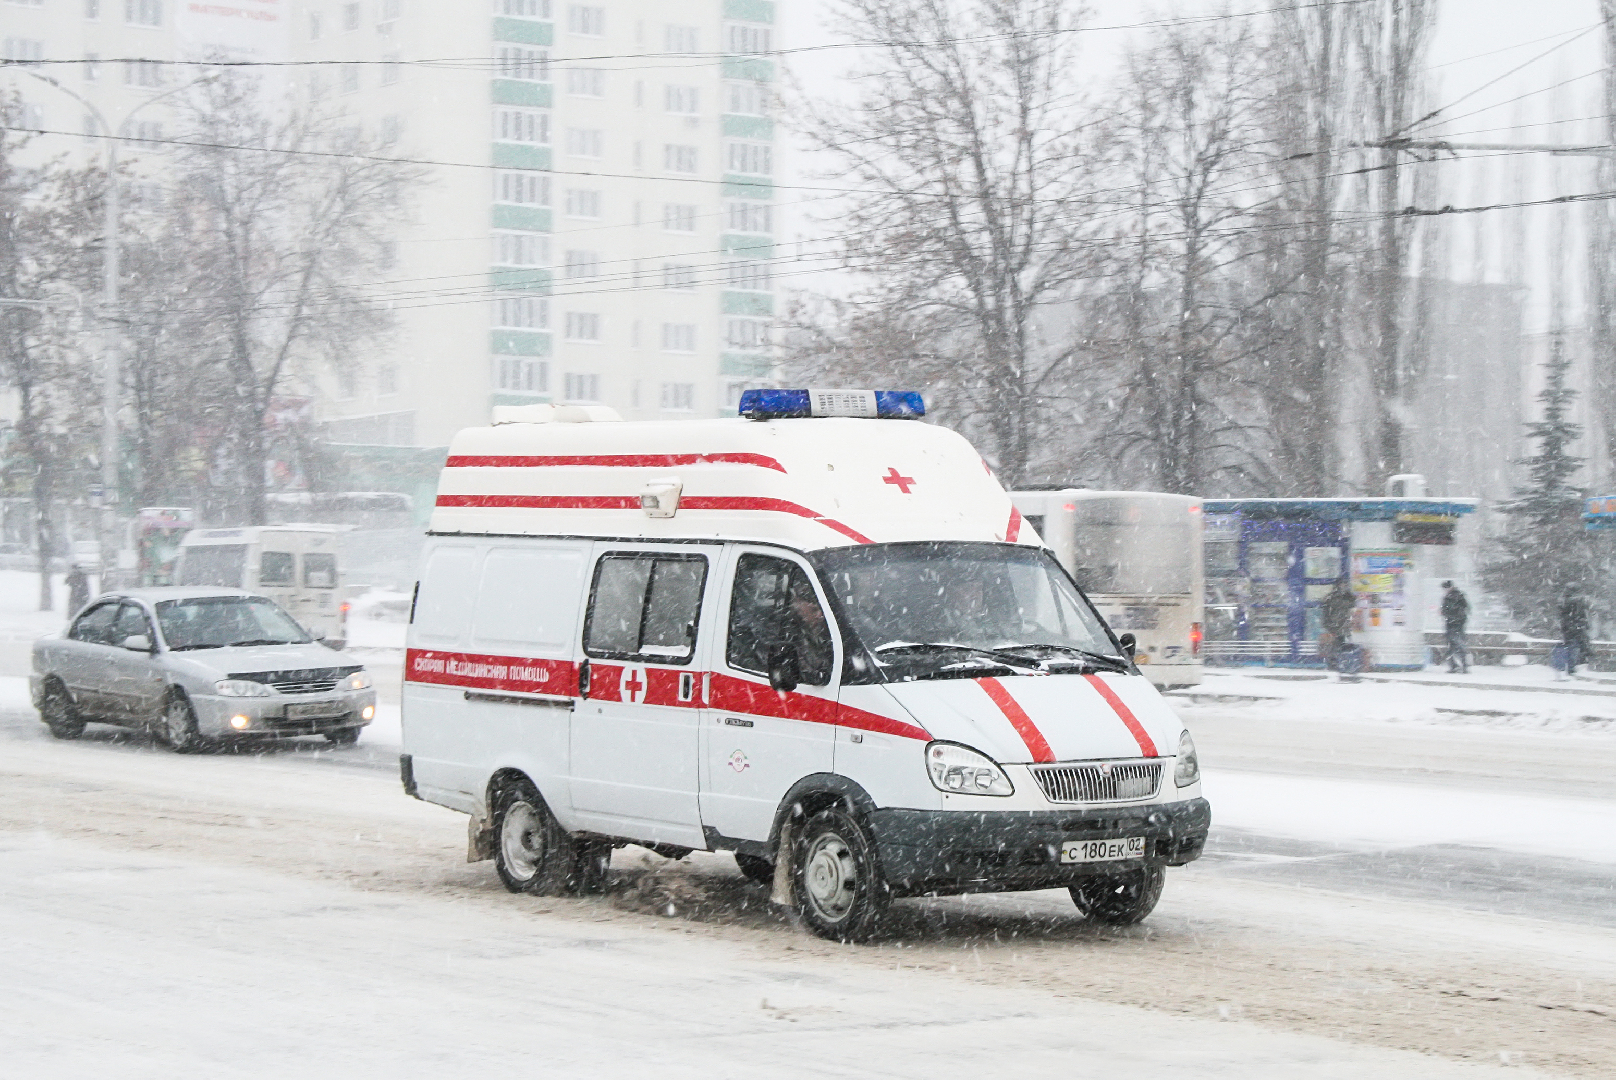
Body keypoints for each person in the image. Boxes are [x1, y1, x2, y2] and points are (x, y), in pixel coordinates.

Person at [1319, 577, 1355, 671]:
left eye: (1345, 585)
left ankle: (1341, 664)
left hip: (1344, 626)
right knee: (1335, 646)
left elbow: (1351, 609)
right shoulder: (1332, 598)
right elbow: (1326, 613)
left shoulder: (1348, 597)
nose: (1344, 587)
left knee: (1342, 645)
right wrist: (1328, 626)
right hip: (1335, 626)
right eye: (1342, 584)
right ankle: (1334, 664)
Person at [1440, 580, 1470, 674]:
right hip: (1457, 624)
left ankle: (1458, 666)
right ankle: (1459, 666)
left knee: (1455, 646)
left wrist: (1446, 613)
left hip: (1453, 624)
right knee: (1456, 646)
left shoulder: (1451, 597)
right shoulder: (1459, 595)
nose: (1444, 590)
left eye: (1445, 588)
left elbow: (1449, 610)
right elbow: (1466, 608)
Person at [1560, 589, 1592, 675]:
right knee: (1577, 648)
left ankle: (1572, 667)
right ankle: (1574, 667)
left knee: (1572, 648)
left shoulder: (1566, 604)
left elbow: (1564, 618)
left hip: (1570, 630)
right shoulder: (1578, 604)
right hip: (1576, 630)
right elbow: (1583, 617)